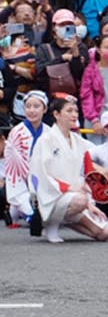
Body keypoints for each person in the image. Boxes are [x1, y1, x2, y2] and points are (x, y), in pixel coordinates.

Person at [29, 95, 108, 244]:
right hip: (53, 197)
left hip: (74, 198)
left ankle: (66, 219)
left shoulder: (79, 142)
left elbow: (89, 173)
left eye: (76, 111)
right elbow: (40, 174)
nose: (74, 115)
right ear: (56, 114)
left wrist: (90, 204)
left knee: (105, 233)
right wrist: (67, 188)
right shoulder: (45, 140)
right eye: (69, 111)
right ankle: (50, 224)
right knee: (79, 201)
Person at [4, 90, 47, 225]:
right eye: (28, 106)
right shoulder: (16, 132)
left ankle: (17, 210)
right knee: (31, 213)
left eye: (36, 106)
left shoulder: (49, 132)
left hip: (41, 177)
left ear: (44, 109)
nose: (32, 110)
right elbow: (13, 161)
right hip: (20, 178)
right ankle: (21, 210)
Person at [38, 10, 88, 100]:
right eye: (62, 24)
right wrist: (62, 58)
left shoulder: (81, 47)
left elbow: (81, 75)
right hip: (51, 97)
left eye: (69, 24)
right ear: (54, 27)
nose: (66, 27)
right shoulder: (44, 48)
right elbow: (40, 72)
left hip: (74, 97)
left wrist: (75, 52)